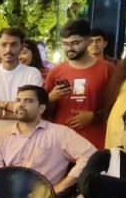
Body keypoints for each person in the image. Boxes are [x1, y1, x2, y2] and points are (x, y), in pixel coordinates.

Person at [44, 19, 115, 149]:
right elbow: (41, 108)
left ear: (88, 41)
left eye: (75, 43)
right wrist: (50, 98)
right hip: (61, 144)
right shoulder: (55, 71)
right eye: (65, 44)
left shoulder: (107, 70)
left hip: (95, 142)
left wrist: (94, 116)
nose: (69, 48)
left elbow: (117, 105)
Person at [0, 27, 44, 139]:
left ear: (21, 47)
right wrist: (18, 114)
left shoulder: (32, 73)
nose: (8, 49)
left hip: (25, 137)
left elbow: (31, 108)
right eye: (4, 45)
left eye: (13, 45)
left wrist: (1, 104)